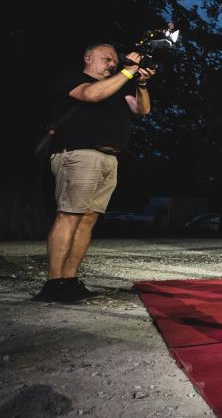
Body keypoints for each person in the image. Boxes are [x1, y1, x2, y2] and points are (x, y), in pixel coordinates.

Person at [32, 43, 155, 303]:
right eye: (106, 59)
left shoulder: (117, 86)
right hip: (79, 153)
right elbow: (91, 95)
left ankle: (69, 280)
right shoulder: (72, 79)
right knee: (69, 215)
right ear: (88, 58)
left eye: (114, 61)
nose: (112, 64)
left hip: (109, 159)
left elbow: (142, 110)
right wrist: (127, 71)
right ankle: (53, 283)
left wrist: (141, 83)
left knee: (88, 220)